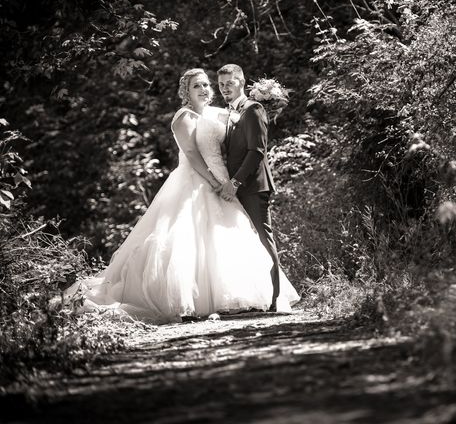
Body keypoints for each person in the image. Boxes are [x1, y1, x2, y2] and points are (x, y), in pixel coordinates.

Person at [62, 68, 299, 324]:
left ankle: (249, 297)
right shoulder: (182, 118)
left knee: (227, 237)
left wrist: (265, 106)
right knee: (189, 239)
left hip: (225, 182)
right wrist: (214, 182)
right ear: (186, 90)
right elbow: (194, 156)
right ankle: (193, 300)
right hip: (197, 181)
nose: (205, 89)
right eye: (198, 85)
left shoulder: (219, 113)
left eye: (207, 85)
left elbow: (245, 128)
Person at [216, 64, 283, 312]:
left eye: (229, 83)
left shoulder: (253, 109)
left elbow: (257, 151)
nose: (224, 88)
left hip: (253, 186)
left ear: (241, 82)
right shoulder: (228, 111)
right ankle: (255, 296)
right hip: (235, 188)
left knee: (264, 239)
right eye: (221, 84)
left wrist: (235, 182)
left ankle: (277, 298)